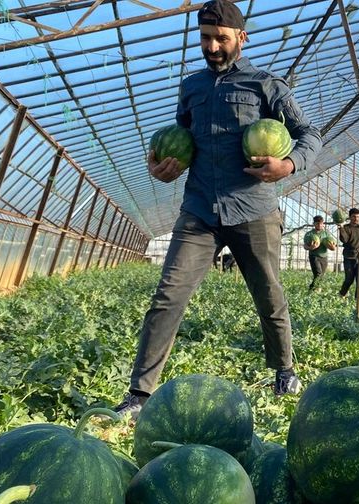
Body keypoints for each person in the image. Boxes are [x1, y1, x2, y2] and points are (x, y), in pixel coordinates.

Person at [113, 0, 322, 419]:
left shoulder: (267, 86)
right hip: (200, 210)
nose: (212, 47)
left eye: (220, 38)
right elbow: (180, 140)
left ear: (241, 38)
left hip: (254, 208)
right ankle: (139, 394)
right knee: (167, 296)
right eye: (206, 38)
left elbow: (308, 134)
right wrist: (162, 169)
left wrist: (289, 164)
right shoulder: (190, 87)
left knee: (269, 294)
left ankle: (284, 369)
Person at [304, 215, 335, 291]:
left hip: (324, 257)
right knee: (318, 273)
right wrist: (311, 248)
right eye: (317, 223)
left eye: (321, 223)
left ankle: (313, 288)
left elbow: (333, 246)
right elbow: (305, 246)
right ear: (314, 224)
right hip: (314, 256)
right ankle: (315, 290)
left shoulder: (326, 234)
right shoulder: (309, 234)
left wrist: (332, 248)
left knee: (321, 275)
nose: (320, 225)